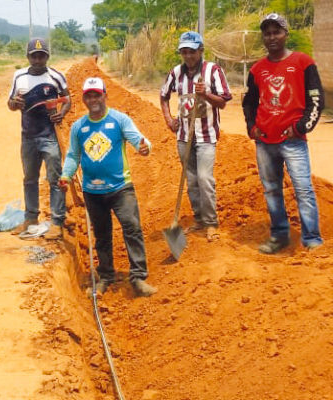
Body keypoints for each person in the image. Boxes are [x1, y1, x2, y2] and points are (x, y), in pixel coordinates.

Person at [59, 77, 157, 297]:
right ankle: (105, 277)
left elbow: (139, 140)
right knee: (102, 235)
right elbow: (74, 155)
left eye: (97, 94)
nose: (93, 99)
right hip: (92, 191)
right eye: (88, 95)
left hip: (121, 187)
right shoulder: (79, 127)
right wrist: (66, 174)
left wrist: (144, 148)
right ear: (84, 98)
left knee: (131, 227)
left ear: (105, 95)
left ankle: (138, 277)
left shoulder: (119, 120)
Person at [242, 13, 324, 253]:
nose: (272, 37)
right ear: (263, 38)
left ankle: (311, 239)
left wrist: (300, 127)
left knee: (303, 189)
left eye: (276, 31)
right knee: (271, 189)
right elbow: (249, 102)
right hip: (265, 141)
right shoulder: (257, 69)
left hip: (293, 141)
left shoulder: (303, 62)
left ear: (285, 34)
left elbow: (316, 100)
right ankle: (279, 236)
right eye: (267, 33)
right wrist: (251, 127)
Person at [160, 31, 232, 242]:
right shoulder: (175, 73)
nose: (188, 56)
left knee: (204, 178)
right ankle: (199, 219)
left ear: (200, 50)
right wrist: (168, 119)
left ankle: (211, 222)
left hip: (206, 135)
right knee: (191, 180)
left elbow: (224, 102)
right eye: (184, 52)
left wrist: (205, 95)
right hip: (183, 136)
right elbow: (163, 95)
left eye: (192, 51)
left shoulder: (213, 71)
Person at [8, 38, 71, 239]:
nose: (37, 60)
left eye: (41, 56)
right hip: (28, 136)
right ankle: (31, 218)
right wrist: (14, 103)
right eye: (34, 56)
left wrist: (62, 112)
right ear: (28, 57)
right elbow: (10, 103)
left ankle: (57, 221)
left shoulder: (56, 76)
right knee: (30, 179)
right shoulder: (19, 76)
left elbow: (68, 99)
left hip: (50, 136)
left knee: (55, 178)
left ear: (47, 57)